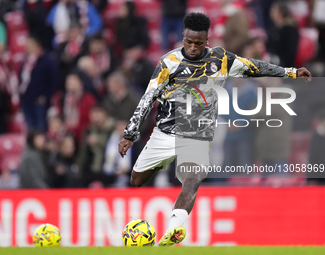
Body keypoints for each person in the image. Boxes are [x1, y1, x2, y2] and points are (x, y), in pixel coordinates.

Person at [118, 12, 312, 246]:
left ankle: (172, 232)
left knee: (194, 177)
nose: (192, 47)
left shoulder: (220, 60)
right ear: (183, 36)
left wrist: (291, 72)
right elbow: (148, 98)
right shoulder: (168, 63)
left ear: (207, 40)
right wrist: (130, 133)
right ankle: (163, 162)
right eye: (188, 41)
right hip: (166, 132)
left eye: (198, 43)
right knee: (136, 179)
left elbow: (255, 67)